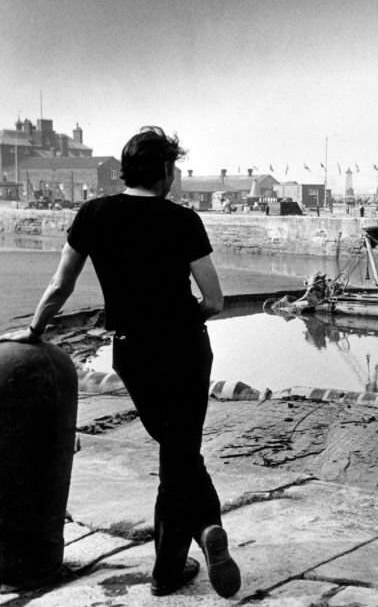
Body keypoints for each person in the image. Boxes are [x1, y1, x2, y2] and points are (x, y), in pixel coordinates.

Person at [0, 127, 240, 598]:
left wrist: (34, 330)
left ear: (127, 171)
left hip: (134, 350)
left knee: (175, 451)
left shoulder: (92, 214)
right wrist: (180, 318)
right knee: (181, 452)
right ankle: (195, 539)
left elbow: (60, 286)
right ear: (167, 172)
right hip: (187, 348)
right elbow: (214, 300)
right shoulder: (184, 220)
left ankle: (179, 560)